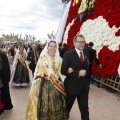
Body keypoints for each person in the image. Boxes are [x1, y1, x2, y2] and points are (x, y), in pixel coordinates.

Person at [26, 41, 69, 120]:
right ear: (47, 47)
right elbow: (38, 74)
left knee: (58, 103)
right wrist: (37, 89)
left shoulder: (59, 59)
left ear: (57, 48)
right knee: (46, 104)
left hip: (57, 84)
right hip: (46, 85)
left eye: (54, 46)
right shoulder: (43, 59)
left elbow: (61, 72)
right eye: (51, 46)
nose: (53, 48)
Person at [61, 34, 90, 120]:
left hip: (84, 87)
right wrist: (77, 73)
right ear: (74, 43)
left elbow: (87, 69)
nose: (82, 44)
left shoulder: (86, 53)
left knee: (84, 109)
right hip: (72, 87)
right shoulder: (68, 54)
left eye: (83, 42)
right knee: (67, 109)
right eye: (79, 42)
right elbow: (63, 70)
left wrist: (88, 82)